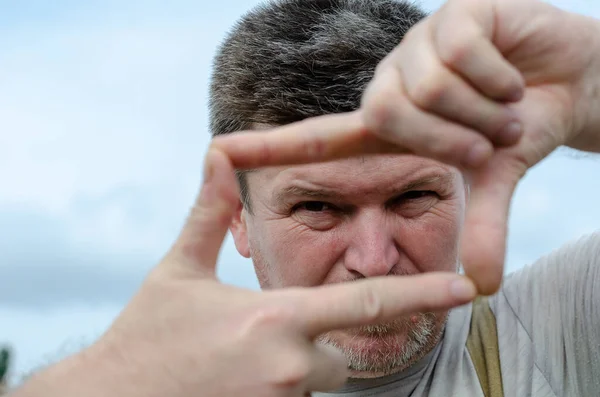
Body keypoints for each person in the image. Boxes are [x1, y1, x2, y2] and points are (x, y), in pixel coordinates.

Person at [6, 0, 600, 396]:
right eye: (317, 208)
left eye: (414, 196)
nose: (373, 261)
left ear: (466, 189)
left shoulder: (561, 327)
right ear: (238, 219)